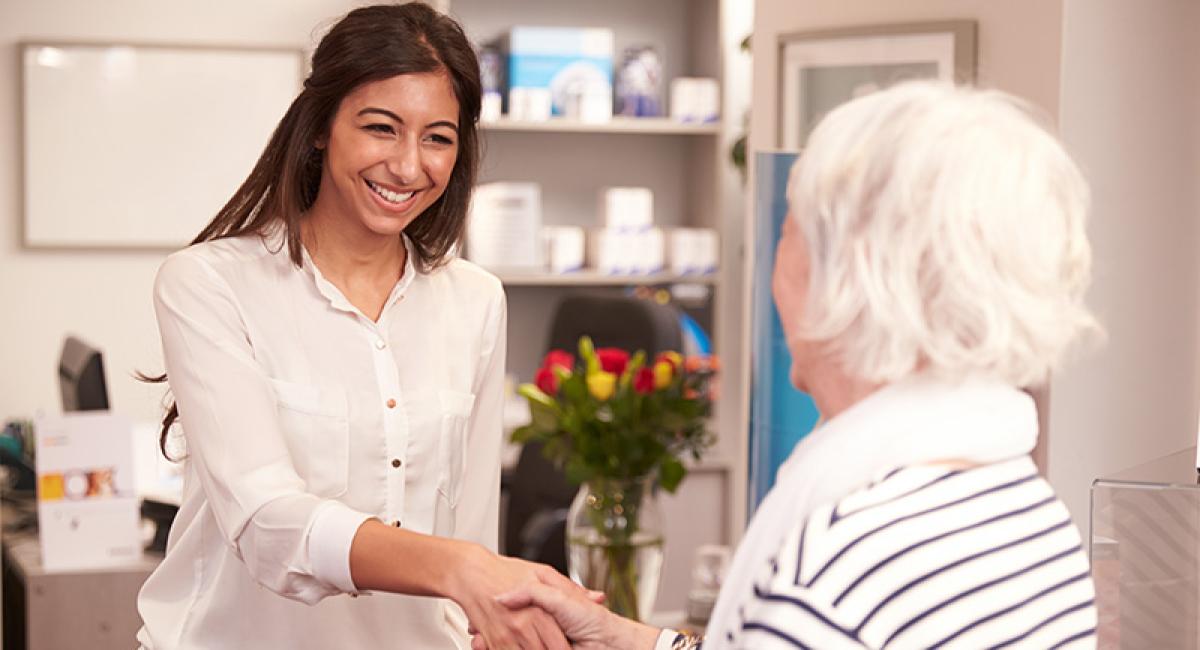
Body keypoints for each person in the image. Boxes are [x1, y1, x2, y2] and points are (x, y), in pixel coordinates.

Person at [484, 81, 1101, 649]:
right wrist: (618, 638)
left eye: (789, 233)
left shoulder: (833, 572)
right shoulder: (1033, 513)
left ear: (849, 277)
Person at [136, 4, 585, 649]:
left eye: (438, 138)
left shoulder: (476, 300)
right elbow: (267, 523)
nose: (408, 166)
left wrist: (492, 605)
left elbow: (473, 529)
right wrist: (460, 568)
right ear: (321, 126)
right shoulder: (210, 283)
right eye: (381, 128)